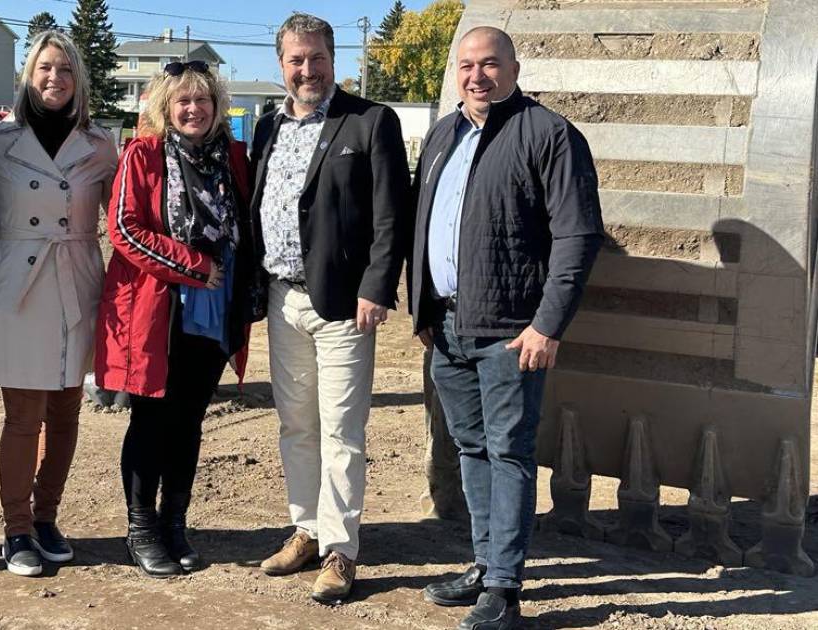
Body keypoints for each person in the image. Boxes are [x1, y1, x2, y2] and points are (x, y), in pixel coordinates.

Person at [410, 27, 603, 630]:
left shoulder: (548, 135)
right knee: (470, 448)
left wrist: (547, 326)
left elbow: (577, 236)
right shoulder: (444, 133)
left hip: (510, 332)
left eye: (490, 64)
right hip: (447, 328)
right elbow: (425, 223)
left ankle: (504, 587)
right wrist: (422, 310)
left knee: (510, 454)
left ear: (514, 68)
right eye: (467, 65)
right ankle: (483, 561)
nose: (477, 76)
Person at [250, 13, 411, 604]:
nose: (307, 69)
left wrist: (377, 285)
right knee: (296, 423)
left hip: (344, 304)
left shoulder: (370, 121)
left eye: (317, 58)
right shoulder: (268, 126)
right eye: (296, 59)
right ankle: (307, 529)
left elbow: (393, 213)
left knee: (342, 430)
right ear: (282, 64)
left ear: (333, 58)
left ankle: (341, 550)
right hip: (281, 296)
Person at [95, 59, 255, 578]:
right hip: (158, 306)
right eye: (182, 100)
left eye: (202, 100)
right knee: (151, 420)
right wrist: (193, 265)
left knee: (189, 419)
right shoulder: (143, 154)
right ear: (166, 107)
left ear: (217, 106)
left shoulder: (233, 156)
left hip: (215, 309)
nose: (193, 109)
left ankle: (175, 524)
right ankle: (140, 530)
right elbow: (125, 228)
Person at [0, 31, 118, 577]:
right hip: (19, 282)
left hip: (78, 279)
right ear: (28, 76)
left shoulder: (100, 143)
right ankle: (16, 529)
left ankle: (47, 516)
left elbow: (125, 217)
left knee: (66, 412)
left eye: (64, 70)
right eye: (44, 69)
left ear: (78, 79)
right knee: (23, 416)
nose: (54, 78)